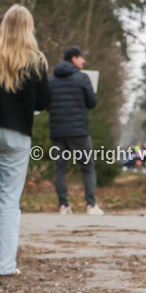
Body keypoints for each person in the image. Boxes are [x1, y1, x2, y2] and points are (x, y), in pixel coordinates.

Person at [0, 5, 50, 276]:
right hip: (17, 135)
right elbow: (44, 100)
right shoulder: (36, 60)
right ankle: (5, 265)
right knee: (8, 200)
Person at [48, 45, 102, 215]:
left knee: (60, 169)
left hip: (58, 132)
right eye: (81, 57)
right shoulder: (83, 78)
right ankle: (91, 205)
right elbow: (92, 103)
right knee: (87, 168)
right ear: (73, 59)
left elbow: (47, 104)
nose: (83, 60)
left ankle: (63, 205)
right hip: (79, 132)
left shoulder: (50, 81)